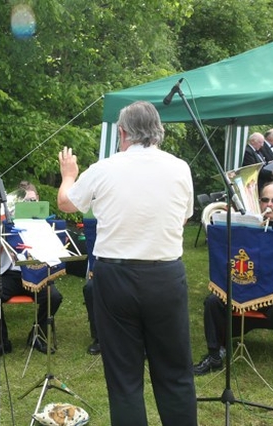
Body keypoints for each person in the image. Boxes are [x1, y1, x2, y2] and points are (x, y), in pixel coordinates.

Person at [57, 101, 197, 425]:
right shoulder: (180, 168)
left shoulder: (105, 168)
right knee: (175, 373)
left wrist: (68, 175)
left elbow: (66, 202)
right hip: (165, 275)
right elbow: (185, 216)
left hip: (116, 277)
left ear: (122, 133)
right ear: (158, 131)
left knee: (124, 378)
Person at [194, 182, 273, 396]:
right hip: (243, 281)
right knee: (212, 301)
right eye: (265, 199)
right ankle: (214, 355)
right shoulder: (246, 226)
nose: (269, 204)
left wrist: (258, 267)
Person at [0, 183, 63, 360]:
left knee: (54, 297)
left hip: (38, 274)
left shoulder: (45, 225)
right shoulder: (10, 224)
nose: (30, 204)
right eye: (26, 201)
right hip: (12, 275)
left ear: (39, 200)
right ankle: (2, 342)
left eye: (33, 200)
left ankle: (37, 335)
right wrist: (4, 228)